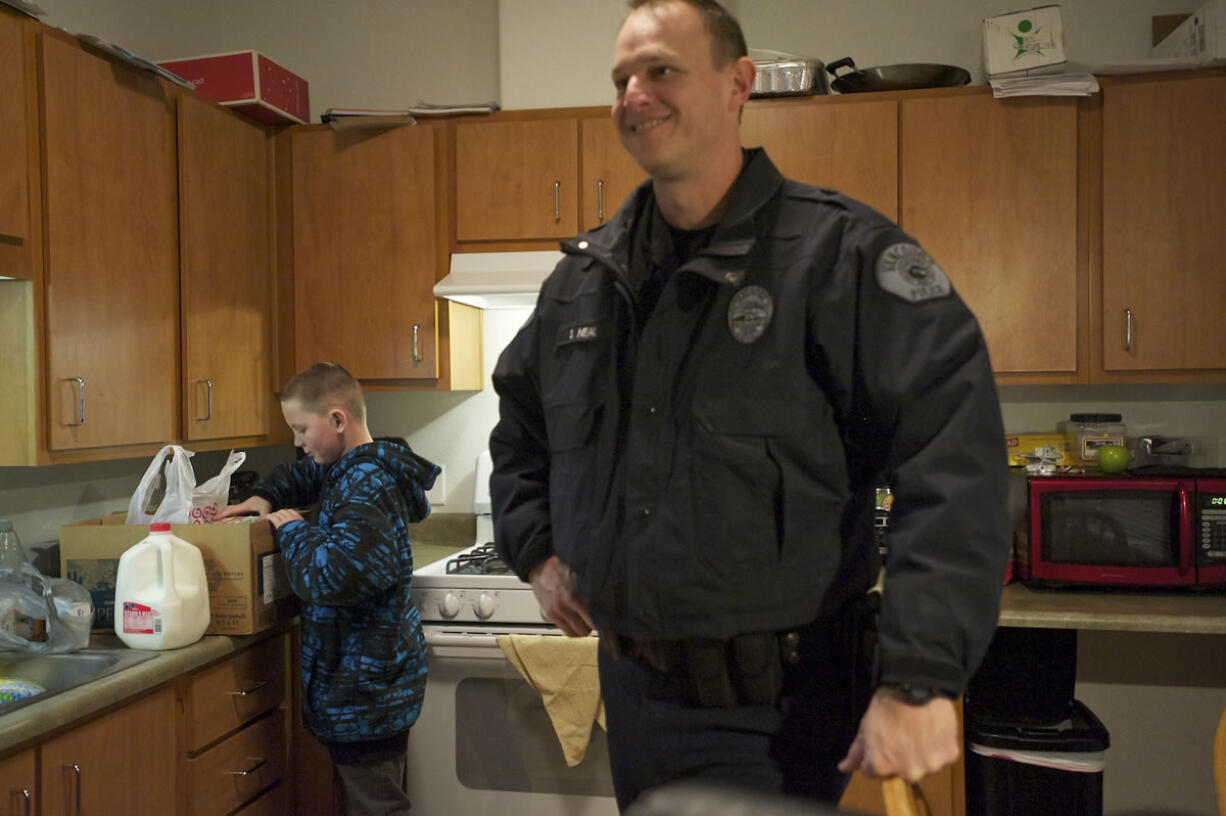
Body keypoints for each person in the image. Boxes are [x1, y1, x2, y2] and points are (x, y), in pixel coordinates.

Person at [488, 0, 1011, 810]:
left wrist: (922, 675)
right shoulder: (584, 283)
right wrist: (536, 549)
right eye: (622, 77)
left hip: (781, 707)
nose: (635, 94)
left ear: (739, 84)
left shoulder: (838, 259)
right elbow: (519, 424)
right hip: (633, 696)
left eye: (661, 70)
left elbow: (954, 459)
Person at [215, 362, 439, 816]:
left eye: (301, 429)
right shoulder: (360, 465)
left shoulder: (362, 484)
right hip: (372, 684)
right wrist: (266, 496)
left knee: (377, 807)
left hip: (365, 689)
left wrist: (293, 531)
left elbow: (335, 576)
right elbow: (306, 475)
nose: (297, 442)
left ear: (337, 420)